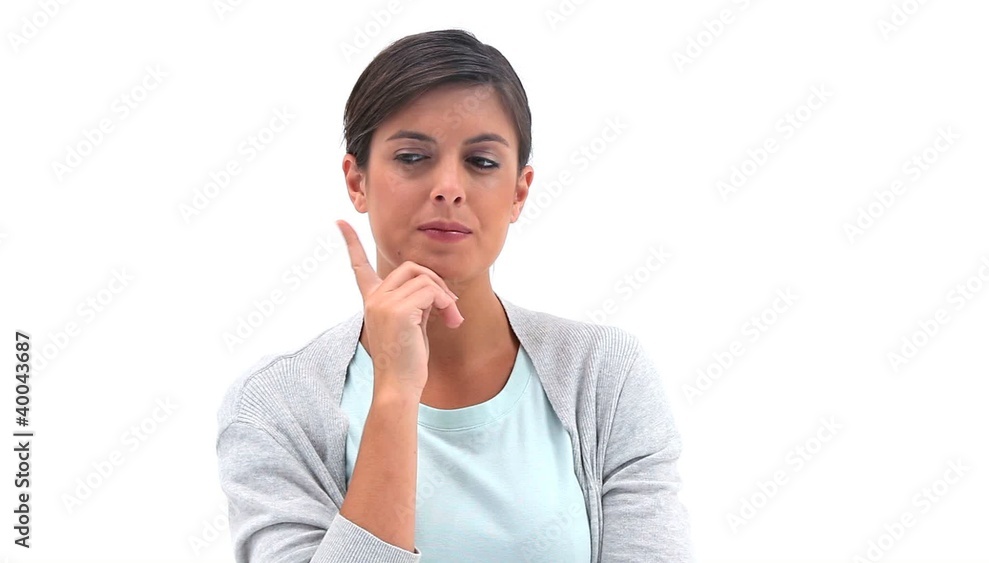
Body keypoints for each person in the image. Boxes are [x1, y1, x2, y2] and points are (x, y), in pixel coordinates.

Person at [216, 28, 692, 562]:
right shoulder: (276, 403)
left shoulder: (604, 374)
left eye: (482, 162)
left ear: (519, 192)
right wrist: (395, 393)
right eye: (412, 157)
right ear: (357, 181)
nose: (448, 187)